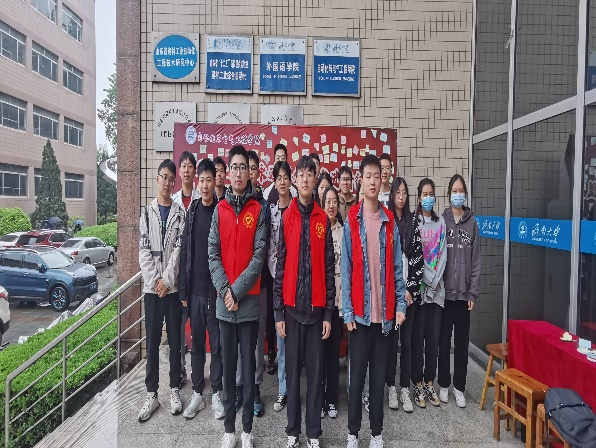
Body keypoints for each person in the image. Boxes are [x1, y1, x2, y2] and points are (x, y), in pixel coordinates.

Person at [343, 154, 407, 448]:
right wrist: (347, 312)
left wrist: (401, 306)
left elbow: (397, 268)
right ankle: (353, 433)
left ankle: (377, 434)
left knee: (378, 380)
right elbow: (346, 268)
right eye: (367, 175)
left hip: (384, 319)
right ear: (361, 179)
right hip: (359, 316)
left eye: (376, 176)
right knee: (356, 380)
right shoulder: (352, 219)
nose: (372, 181)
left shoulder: (389, 221)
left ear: (383, 180)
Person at [273, 155, 335, 448]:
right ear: (295, 180)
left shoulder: (323, 219)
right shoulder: (287, 217)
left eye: (311, 174)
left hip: (317, 312)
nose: (306, 179)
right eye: (302, 174)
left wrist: (329, 313)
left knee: (316, 377)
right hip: (292, 312)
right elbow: (280, 266)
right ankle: (292, 431)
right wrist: (278, 312)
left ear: (315, 178)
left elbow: (329, 269)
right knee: (293, 376)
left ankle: (313, 433)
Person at [208, 145, 267, 448]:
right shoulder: (219, 210)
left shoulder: (258, 211)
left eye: (244, 167)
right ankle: (229, 429)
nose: (239, 172)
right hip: (224, 306)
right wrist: (225, 291)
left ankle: (246, 430)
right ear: (228, 172)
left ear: (249, 172)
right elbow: (212, 254)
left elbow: (259, 258)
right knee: (228, 369)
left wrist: (236, 291)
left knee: (247, 370)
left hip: (249, 305)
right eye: (235, 167)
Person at [137, 159, 187, 422]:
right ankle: (152, 394)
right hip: (152, 290)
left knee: (175, 341)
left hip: (173, 289)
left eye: (171, 178)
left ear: (174, 182)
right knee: (153, 341)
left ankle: (175, 389)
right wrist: (156, 281)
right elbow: (143, 251)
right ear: (157, 179)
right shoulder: (147, 213)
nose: (167, 182)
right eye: (163, 177)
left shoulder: (180, 213)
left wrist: (167, 281)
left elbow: (179, 251)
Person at [178, 158, 224, 420]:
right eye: (202, 180)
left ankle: (216, 391)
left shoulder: (221, 210)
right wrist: (183, 290)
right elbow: (185, 249)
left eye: (210, 180)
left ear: (216, 181)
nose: (206, 185)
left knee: (216, 345)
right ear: (197, 183)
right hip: (194, 291)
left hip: (215, 292)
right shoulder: (193, 210)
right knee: (196, 344)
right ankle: (197, 393)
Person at [233, 150, 271, 418]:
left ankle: (255, 387)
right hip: (234, 286)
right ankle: (238, 386)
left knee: (256, 338)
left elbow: (262, 250)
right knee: (236, 338)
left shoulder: (263, 207)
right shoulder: (231, 203)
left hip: (259, 283)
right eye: (245, 168)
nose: (249, 172)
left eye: (253, 168)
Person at [438, 174, 480, 408]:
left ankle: (460, 387)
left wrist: (473, 292)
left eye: (461, 190)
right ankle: (444, 384)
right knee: (443, 342)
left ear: (465, 194)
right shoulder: (441, 221)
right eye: (454, 190)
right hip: (444, 295)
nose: (457, 194)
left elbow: (476, 260)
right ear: (449, 194)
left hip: (464, 296)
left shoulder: (472, 223)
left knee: (462, 344)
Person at [386, 177, 424, 413]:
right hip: (391, 295)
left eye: (404, 193)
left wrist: (409, 291)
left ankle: (405, 389)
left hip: (409, 295)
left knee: (407, 343)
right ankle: (391, 387)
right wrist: (395, 293)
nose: (401, 197)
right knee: (391, 343)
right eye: (397, 193)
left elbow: (418, 260)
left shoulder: (413, 222)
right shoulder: (387, 221)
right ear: (392, 195)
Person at [411, 178, 447, 409]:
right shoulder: (414, 222)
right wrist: (427, 279)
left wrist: (434, 281)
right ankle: (416, 383)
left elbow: (443, 254)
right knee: (417, 339)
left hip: (437, 292)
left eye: (431, 194)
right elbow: (415, 256)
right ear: (419, 198)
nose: (428, 198)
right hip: (419, 291)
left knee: (433, 340)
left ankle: (429, 382)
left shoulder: (440, 222)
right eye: (424, 194)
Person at [172, 151, 201, 388]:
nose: (187, 170)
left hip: (198, 275)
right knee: (178, 328)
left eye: (191, 166)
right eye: (184, 166)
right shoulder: (172, 201)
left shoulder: (202, 198)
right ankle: (180, 369)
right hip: (177, 275)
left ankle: (199, 374)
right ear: (179, 170)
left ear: (195, 171)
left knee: (200, 330)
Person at [267, 161, 293, 413]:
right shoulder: (271, 213)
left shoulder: (297, 210)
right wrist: (280, 276)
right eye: (279, 178)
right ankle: (283, 390)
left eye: (286, 176)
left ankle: (295, 389)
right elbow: (269, 251)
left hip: (297, 285)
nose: (282, 181)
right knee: (282, 338)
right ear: (274, 183)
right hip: (278, 283)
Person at [320, 186, 343, 420]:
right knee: (318, 355)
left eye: (334, 201)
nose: (331, 205)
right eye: (327, 201)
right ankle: (319, 399)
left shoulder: (343, 233)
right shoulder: (317, 228)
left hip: (337, 304)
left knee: (333, 355)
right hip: (319, 304)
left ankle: (332, 399)